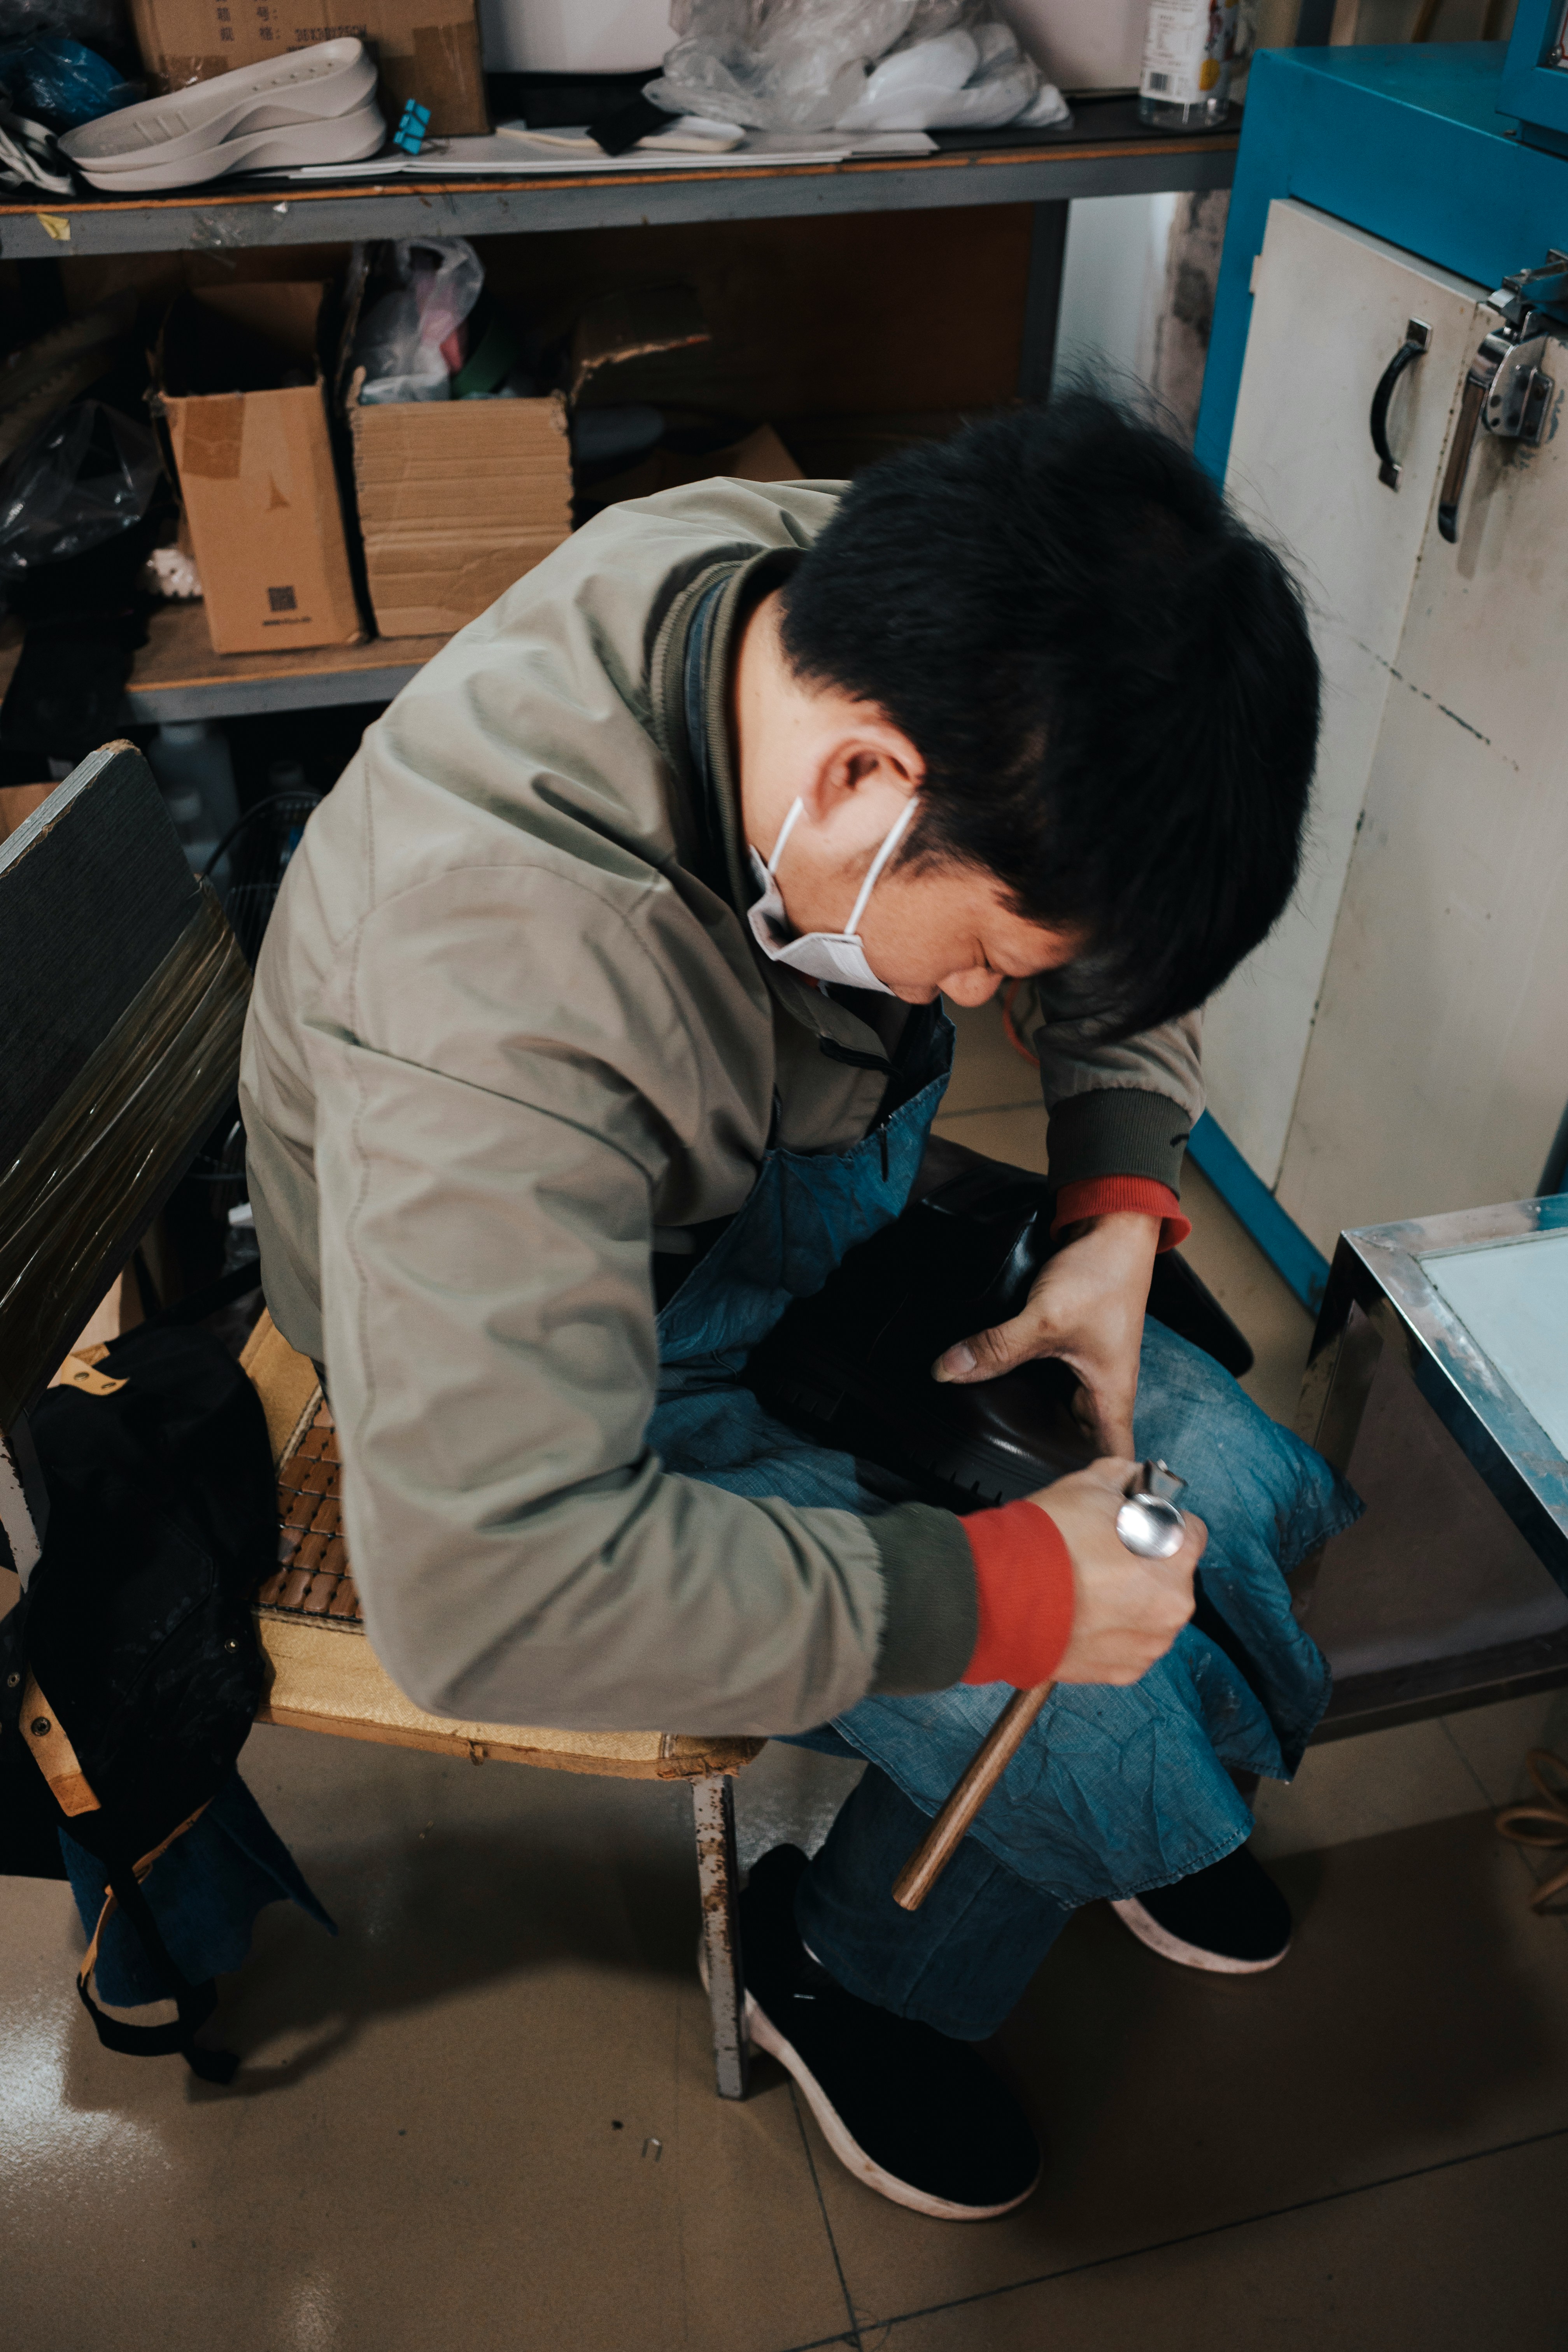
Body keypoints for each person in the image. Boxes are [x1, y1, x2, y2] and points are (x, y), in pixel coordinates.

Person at [241, 394, 1357, 2222]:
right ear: (859, 786)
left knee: (1229, 1477)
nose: (998, 992)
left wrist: (1114, 1203)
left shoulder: (873, 607)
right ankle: (853, 1967)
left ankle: (1129, 1785)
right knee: (1085, 1712)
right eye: (995, 962)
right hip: (569, 1342)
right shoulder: (492, 985)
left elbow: (1108, 941)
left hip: (798, 1211)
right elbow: (492, 1591)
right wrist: (1011, 1596)